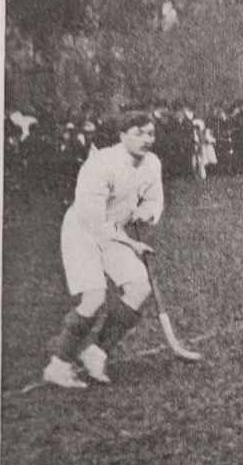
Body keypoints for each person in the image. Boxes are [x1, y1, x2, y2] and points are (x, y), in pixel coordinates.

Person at [42, 112, 164, 389]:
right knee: (94, 297)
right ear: (122, 135)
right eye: (139, 133)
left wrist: (142, 214)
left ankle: (96, 352)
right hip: (82, 231)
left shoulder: (152, 164)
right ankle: (58, 365)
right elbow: (93, 220)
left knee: (139, 287)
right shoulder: (101, 164)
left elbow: (154, 202)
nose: (146, 140)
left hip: (115, 232)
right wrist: (132, 243)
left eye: (150, 133)